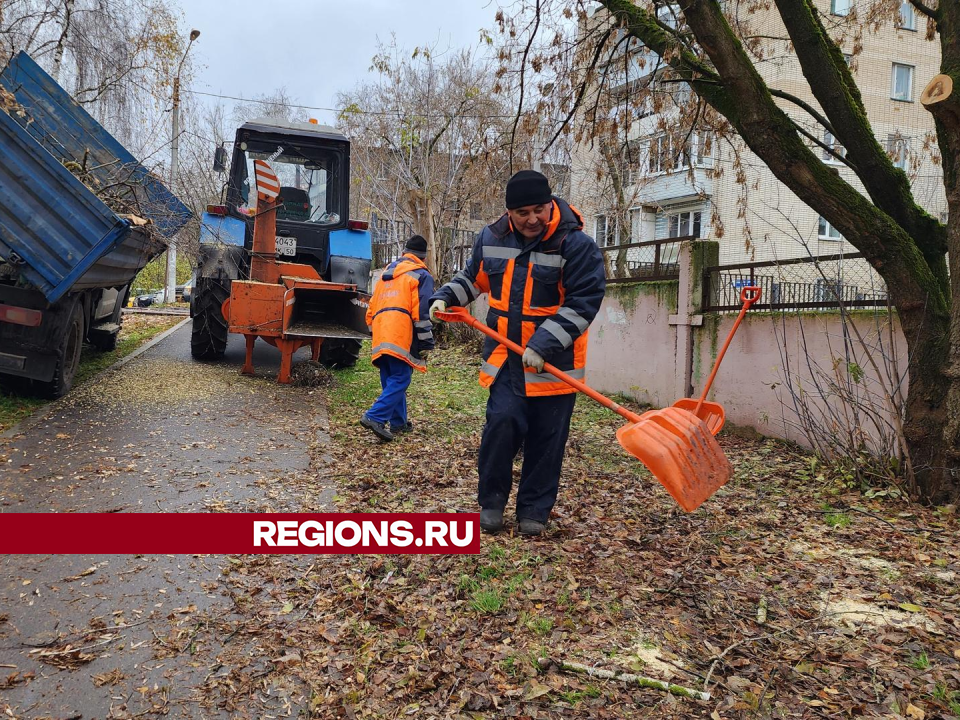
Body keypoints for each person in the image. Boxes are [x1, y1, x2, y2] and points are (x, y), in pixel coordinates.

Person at [429, 170, 605, 535]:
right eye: (523, 212)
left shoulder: (576, 245)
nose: (532, 219)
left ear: (550, 204)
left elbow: (582, 303)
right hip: (506, 359)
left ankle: (534, 513)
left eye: (539, 209)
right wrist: (445, 297)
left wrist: (543, 344)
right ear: (510, 212)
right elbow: (473, 279)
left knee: (547, 438)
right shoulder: (491, 237)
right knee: (502, 425)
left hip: (556, 365)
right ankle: (491, 503)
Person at [361, 235, 436, 442]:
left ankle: (398, 423)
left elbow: (371, 307)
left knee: (390, 377)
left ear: (405, 252)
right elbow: (421, 312)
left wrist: (374, 331)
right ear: (423, 256)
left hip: (380, 329)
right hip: (400, 331)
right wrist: (426, 341)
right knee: (401, 377)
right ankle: (375, 416)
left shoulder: (387, 274)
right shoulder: (421, 276)